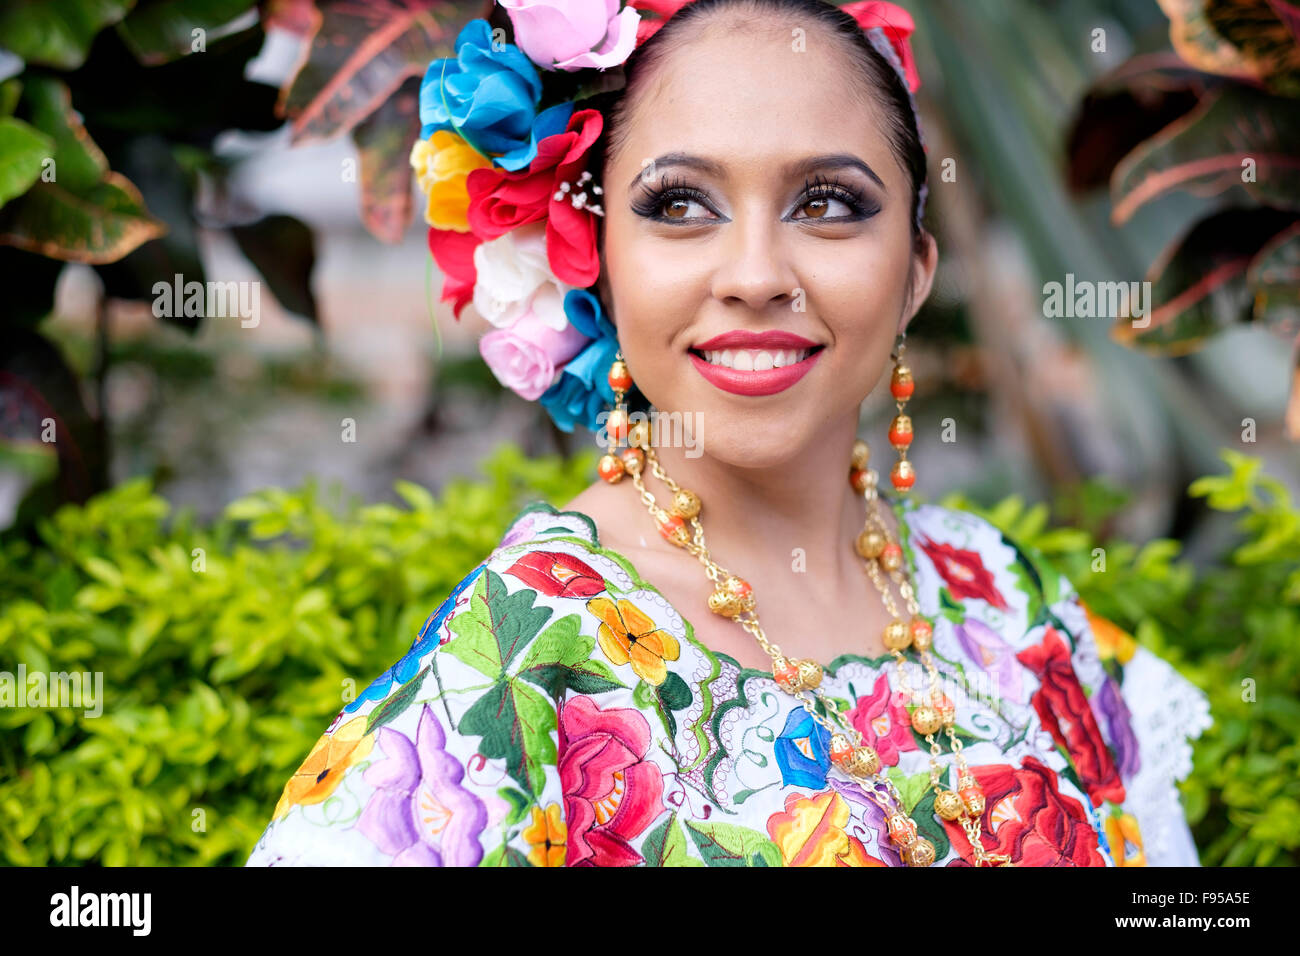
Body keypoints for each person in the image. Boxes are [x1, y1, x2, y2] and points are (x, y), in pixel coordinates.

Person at [246, 0, 1211, 867]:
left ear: (916, 269)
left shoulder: (1005, 598)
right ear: (600, 265)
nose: (755, 273)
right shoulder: (513, 671)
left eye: (827, 203)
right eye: (680, 206)